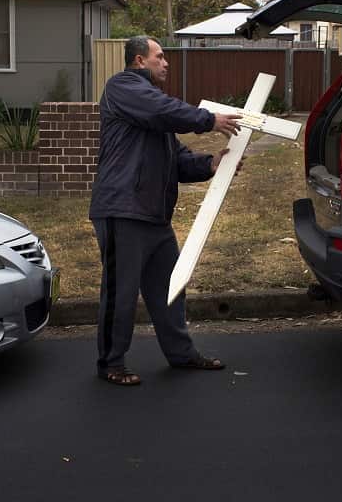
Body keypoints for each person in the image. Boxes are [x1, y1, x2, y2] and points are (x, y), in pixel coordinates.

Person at [89, 35, 242, 386]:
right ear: (140, 61)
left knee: (171, 288)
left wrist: (211, 164)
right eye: (160, 57)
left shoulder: (154, 116)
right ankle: (111, 363)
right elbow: (163, 110)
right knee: (121, 292)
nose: (166, 62)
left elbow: (177, 159)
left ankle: (181, 354)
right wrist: (209, 119)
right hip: (122, 210)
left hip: (155, 217)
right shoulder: (123, 87)